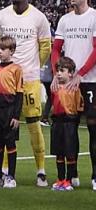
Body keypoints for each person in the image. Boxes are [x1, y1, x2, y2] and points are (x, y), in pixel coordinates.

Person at [0, 0, 52, 187]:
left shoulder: (39, 17)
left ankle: (41, 171)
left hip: (30, 80)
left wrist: (32, 66)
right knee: (7, 126)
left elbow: (46, 48)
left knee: (34, 125)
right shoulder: (2, 16)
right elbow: (0, 43)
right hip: (7, 81)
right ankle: (6, 171)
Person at [51, 0, 96, 190]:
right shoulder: (65, 20)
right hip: (68, 83)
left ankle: (95, 176)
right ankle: (72, 175)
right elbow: (56, 49)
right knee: (69, 130)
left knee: (94, 130)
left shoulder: (94, 17)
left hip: (90, 82)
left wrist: (81, 74)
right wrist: (55, 74)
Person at [0, 35, 25, 188]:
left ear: (12, 51)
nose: (0, 52)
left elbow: (19, 93)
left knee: (10, 143)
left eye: (3, 49)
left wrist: (16, 115)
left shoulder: (16, 69)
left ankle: (11, 176)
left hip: (9, 110)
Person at [49, 57, 83, 191]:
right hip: (57, 123)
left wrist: (73, 121)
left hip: (69, 124)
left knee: (70, 153)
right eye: (57, 70)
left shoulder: (75, 89)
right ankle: (60, 179)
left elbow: (79, 107)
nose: (58, 73)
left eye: (61, 71)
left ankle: (69, 180)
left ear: (70, 73)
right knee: (59, 154)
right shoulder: (55, 88)